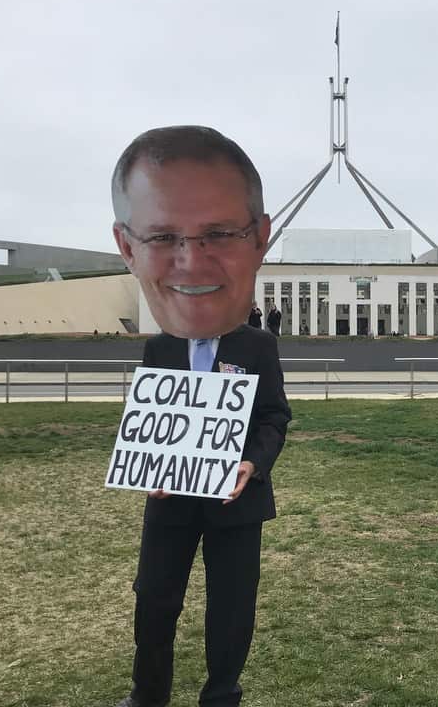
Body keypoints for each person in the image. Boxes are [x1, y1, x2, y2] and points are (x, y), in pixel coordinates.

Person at [110, 125, 291, 707]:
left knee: (231, 608)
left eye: (218, 234)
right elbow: (148, 419)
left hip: (236, 507)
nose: (191, 261)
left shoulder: (259, 346)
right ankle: (148, 695)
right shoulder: (159, 346)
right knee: (155, 600)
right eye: (163, 236)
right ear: (128, 244)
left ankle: (221, 695)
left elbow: (273, 419)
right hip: (169, 504)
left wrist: (251, 466)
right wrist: (146, 468)